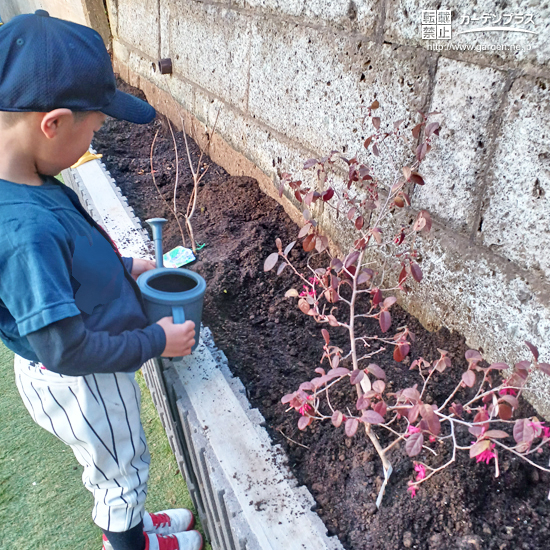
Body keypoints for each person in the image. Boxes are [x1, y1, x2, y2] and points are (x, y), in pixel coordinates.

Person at [0, 11, 203, 550]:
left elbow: (71, 258)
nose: (95, 139)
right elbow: (65, 347)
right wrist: (157, 340)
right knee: (121, 472)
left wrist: (125, 268)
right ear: (54, 123)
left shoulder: (27, 180)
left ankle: (132, 525)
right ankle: (129, 540)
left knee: (115, 465)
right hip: (80, 379)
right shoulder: (24, 234)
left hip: (71, 363)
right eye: (94, 129)